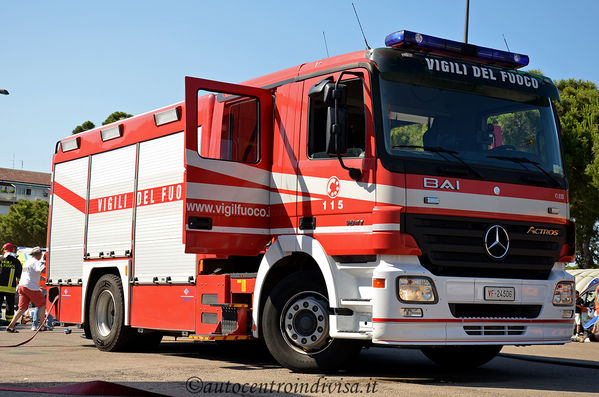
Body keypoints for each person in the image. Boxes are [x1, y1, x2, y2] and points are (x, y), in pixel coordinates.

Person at [5, 247, 47, 333]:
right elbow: (44, 269)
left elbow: (30, 274)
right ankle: (41, 326)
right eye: (41, 254)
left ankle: (11, 326)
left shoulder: (27, 262)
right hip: (31, 287)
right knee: (42, 304)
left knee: (22, 308)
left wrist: (40, 277)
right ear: (38, 254)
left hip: (22, 286)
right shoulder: (36, 262)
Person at [0, 243, 22, 324]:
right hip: (10, 288)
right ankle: (10, 322)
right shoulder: (16, 261)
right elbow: (19, 276)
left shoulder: (1, 259)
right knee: (10, 305)